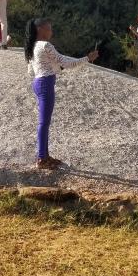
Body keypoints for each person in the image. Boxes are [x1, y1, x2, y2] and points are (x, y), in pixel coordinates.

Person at [25, 18, 98, 170]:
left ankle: (44, 155)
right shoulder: (45, 45)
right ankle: (41, 158)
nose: (51, 31)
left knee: (44, 122)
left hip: (38, 83)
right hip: (45, 84)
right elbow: (64, 61)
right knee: (44, 122)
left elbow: (31, 70)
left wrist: (56, 67)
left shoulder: (32, 46)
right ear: (40, 29)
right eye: (49, 28)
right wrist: (86, 59)